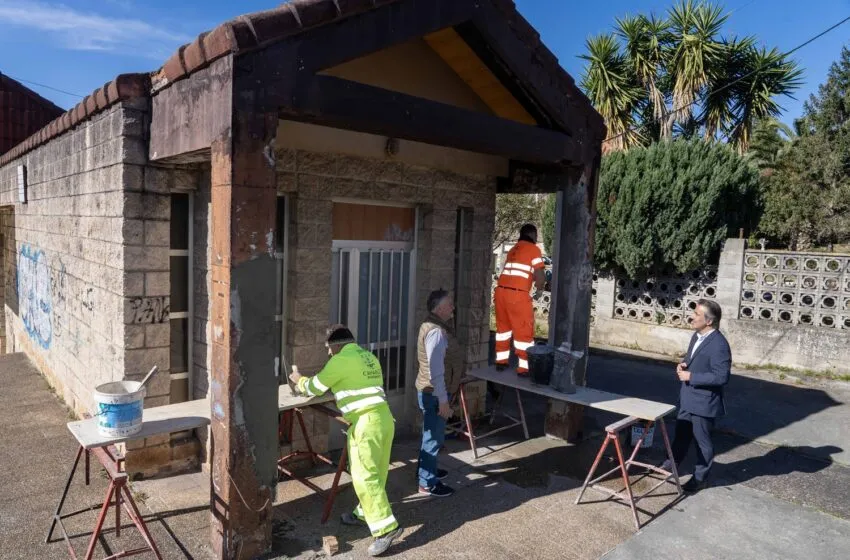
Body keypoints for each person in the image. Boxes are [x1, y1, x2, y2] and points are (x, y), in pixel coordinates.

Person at [289, 325, 402, 557]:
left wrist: (298, 379)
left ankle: (386, 529)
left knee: (364, 476)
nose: (329, 353)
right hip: (384, 419)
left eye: (329, 349)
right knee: (378, 473)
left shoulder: (339, 361)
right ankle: (364, 514)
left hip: (365, 423)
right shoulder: (369, 357)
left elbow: (315, 386)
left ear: (336, 345)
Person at [664, 299, 731, 492]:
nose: (691, 316)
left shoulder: (719, 345)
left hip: (703, 402)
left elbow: (721, 377)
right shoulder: (697, 336)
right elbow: (691, 358)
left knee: (702, 442)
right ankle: (672, 463)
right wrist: (684, 364)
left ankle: (700, 477)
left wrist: (691, 376)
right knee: (681, 434)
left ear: (709, 321)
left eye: (696, 314)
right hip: (687, 397)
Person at [415, 289, 465, 498]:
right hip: (435, 393)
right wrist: (444, 401)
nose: (453, 307)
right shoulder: (435, 331)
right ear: (439, 308)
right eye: (449, 304)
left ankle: (426, 470)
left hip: (431, 391)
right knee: (433, 439)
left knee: (430, 435)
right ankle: (427, 483)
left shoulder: (434, 326)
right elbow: (436, 370)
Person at [494, 224, 546, 376]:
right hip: (518, 295)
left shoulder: (513, 249)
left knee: (503, 330)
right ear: (533, 235)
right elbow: (540, 274)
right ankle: (524, 368)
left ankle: (501, 361)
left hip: (501, 293)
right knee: (523, 331)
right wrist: (540, 289)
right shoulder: (534, 249)